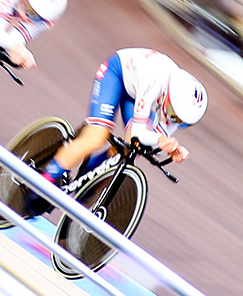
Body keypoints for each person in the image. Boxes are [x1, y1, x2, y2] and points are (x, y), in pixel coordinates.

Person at [21, 47, 206, 217]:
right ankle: (45, 181)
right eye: (173, 114)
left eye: (181, 121)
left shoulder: (178, 110)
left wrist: (172, 147)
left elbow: (154, 137)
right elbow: (140, 133)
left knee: (130, 151)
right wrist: (162, 140)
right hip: (116, 75)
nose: (174, 120)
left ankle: (88, 181)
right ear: (170, 95)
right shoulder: (155, 80)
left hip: (136, 94)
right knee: (97, 136)